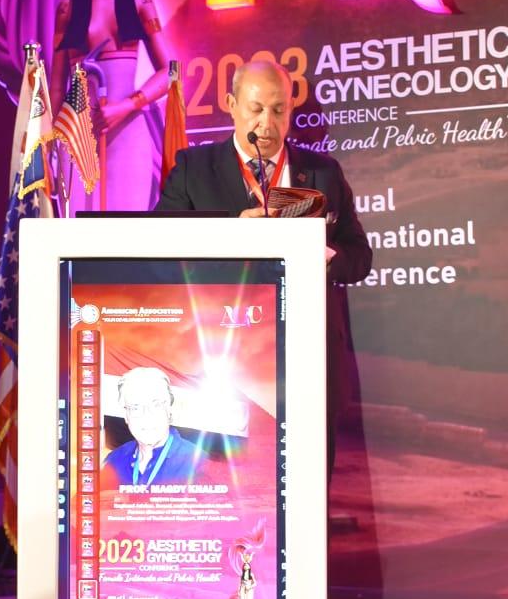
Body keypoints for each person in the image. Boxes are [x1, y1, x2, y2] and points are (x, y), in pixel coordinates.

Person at [156, 58, 373, 476]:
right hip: (219, 362)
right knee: (231, 485)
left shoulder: (324, 173)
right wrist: (231, 235)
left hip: (309, 360)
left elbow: (360, 256)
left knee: (311, 483)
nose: (267, 124)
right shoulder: (193, 170)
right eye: (255, 109)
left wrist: (325, 257)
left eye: (278, 110)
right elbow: (160, 248)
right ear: (231, 104)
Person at [51, 0, 171, 211]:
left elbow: (171, 72)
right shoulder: (67, 10)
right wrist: (47, 141)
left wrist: (126, 106)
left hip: (128, 131)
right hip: (77, 132)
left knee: (125, 226)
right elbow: (56, 87)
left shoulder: (140, 1)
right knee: (79, 227)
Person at [102, 366, 202, 487]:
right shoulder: (114, 461)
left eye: (156, 405)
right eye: (135, 407)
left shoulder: (199, 464)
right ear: (126, 415)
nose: (146, 416)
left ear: (170, 409)